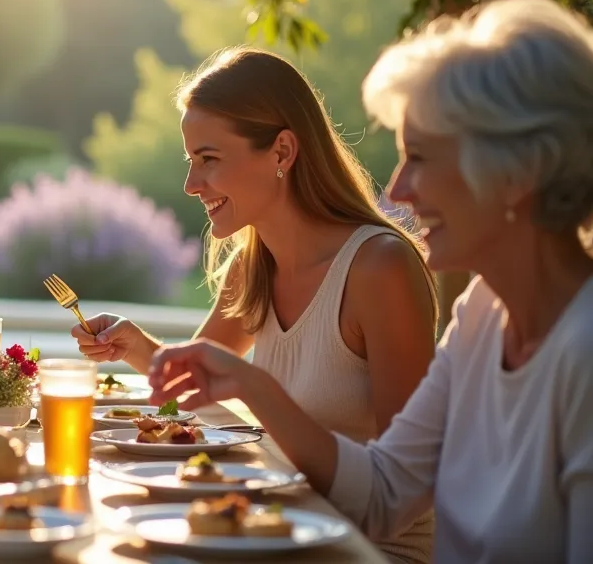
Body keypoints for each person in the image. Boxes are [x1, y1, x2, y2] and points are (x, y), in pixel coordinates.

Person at [146, 0, 593, 564]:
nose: (400, 190)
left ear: (519, 172)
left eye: (423, 158)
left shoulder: (583, 351)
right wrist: (250, 385)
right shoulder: (484, 312)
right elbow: (386, 492)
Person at [72, 47, 438, 561]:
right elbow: (194, 380)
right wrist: (133, 346)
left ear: (283, 152)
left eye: (209, 159)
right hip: (274, 532)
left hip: (370, 549)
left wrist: (256, 390)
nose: (191, 183)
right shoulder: (253, 265)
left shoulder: (379, 268)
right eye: (191, 160)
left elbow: (406, 490)